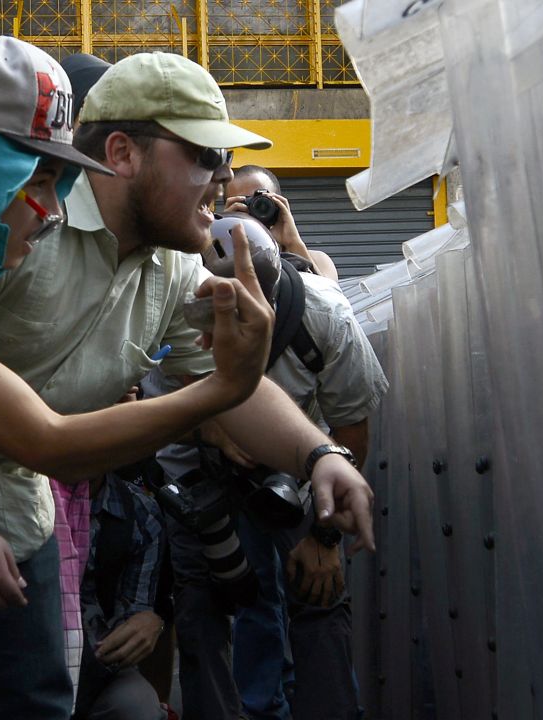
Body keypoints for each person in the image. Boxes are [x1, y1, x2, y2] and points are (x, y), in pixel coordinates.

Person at [0, 50, 375, 719]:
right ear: (122, 152)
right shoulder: (16, 217)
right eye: (202, 156)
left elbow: (237, 387)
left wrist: (319, 457)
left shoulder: (173, 269)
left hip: (0, 488)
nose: (222, 179)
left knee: (28, 703)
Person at [162, 214, 387, 720]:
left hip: (306, 480)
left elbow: (351, 434)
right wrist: (210, 427)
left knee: (319, 596)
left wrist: (324, 539)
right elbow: (141, 409)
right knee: (218, 603)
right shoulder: (174, 309)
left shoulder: (326, 317)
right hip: (209, 476)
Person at [74, 471, 169, 720]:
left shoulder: (139, 510)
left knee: (139, 707)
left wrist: (148, 622)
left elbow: (136, 611)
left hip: (97, 663)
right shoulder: (29, 501)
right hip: (33, 656)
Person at [224, 165, 340, 282]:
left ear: (279, 205)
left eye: (262, 201)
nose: (254, 209)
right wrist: (225, 233)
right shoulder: (217, 264)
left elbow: (325, 298)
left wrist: (293, 243)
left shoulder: (319, 261)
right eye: (244, 203)